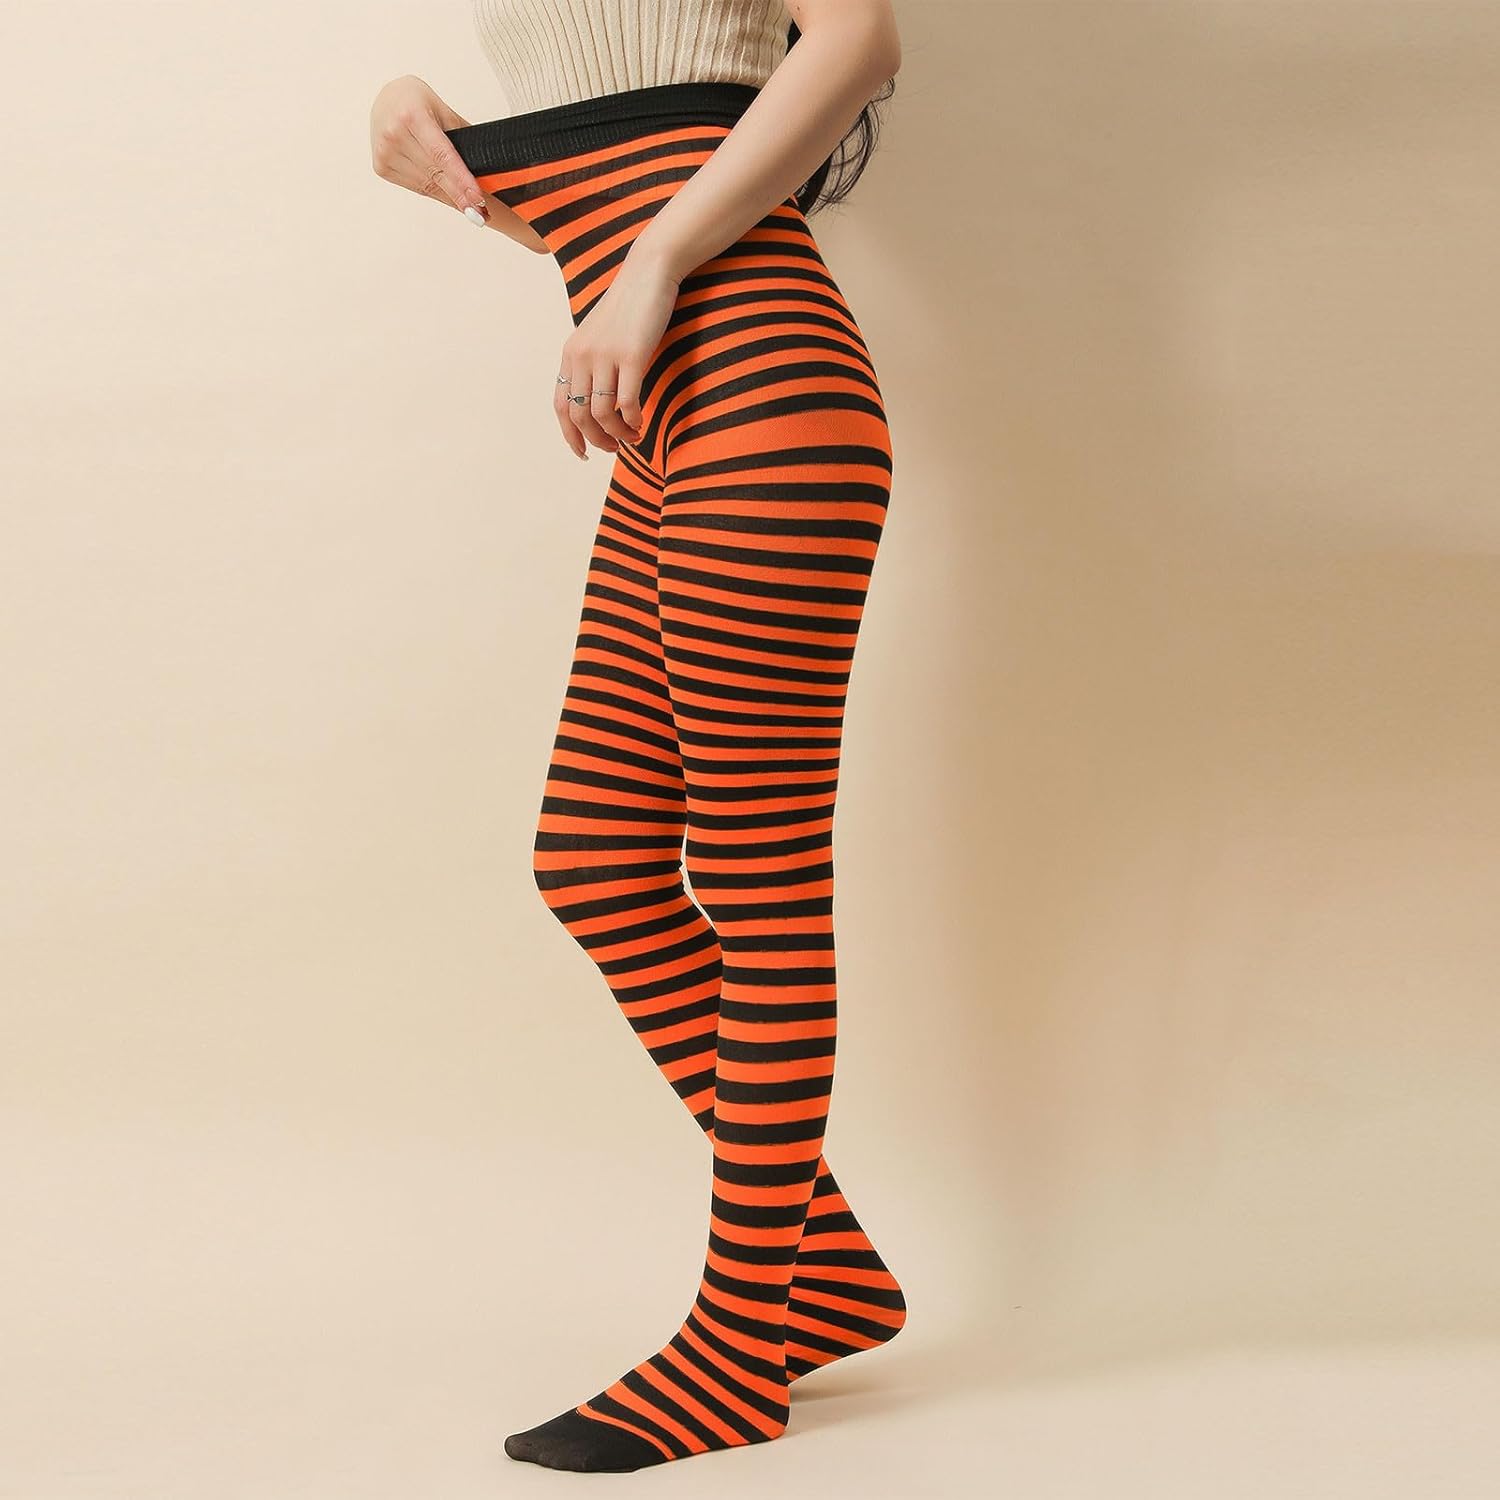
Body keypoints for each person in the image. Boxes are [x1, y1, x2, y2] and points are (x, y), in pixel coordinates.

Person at [368, 0, 904, 1473]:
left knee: (757, 874)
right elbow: (602, 201)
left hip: (765, 397)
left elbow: (859, 40)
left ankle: (737, 1349)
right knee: (594, 860)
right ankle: (821, 1269)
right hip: (668, 423)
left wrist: (657, 264)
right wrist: (440, 143)